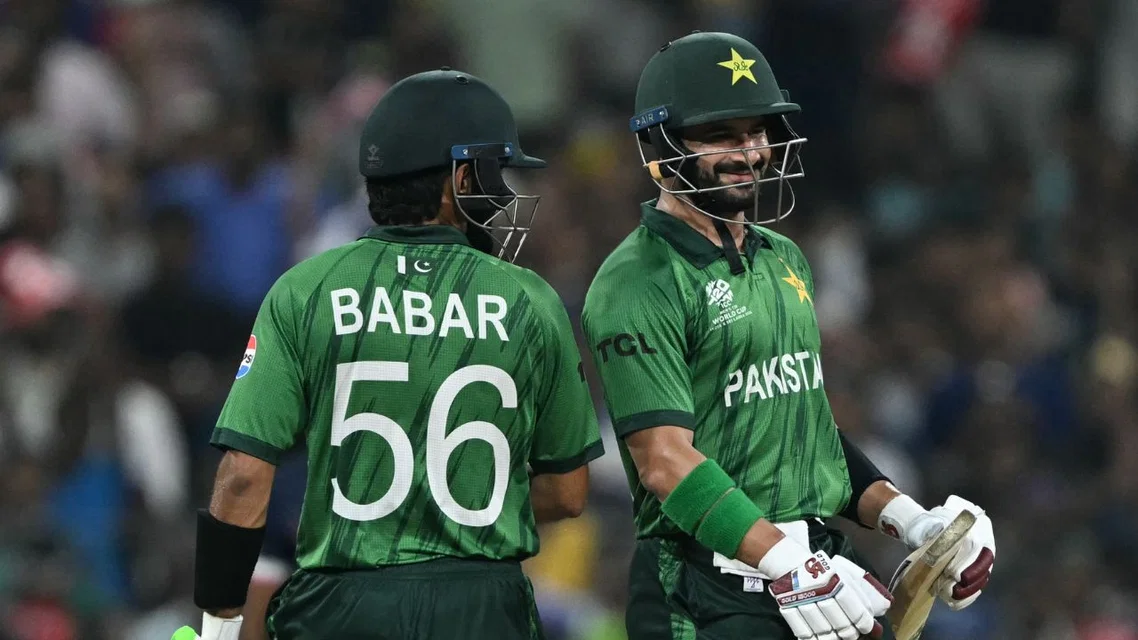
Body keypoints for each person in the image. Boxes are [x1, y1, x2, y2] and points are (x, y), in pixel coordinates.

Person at [581, 31, 995, 640]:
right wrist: (785, 561)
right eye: (722, 134)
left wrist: (913, 523)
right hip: (702, 591)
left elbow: (808, 434)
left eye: (757, 131)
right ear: (660, 145)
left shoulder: (785, 259)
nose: (749, 152)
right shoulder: (635, 282)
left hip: (811, 573)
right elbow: (664, 462)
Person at [173, 68, 604, 640]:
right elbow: (568, 492)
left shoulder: (306, 289)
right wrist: (454, 504)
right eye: (495, 172)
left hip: (344, 602)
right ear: (458, 178)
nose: (503, 195)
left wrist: (219, 628)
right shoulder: (532, 300)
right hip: (481, 607)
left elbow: (245, 477)